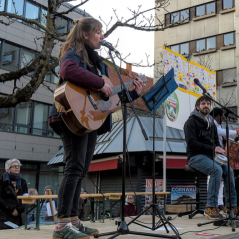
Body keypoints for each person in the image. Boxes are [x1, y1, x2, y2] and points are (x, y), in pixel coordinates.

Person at [49, 17, 143, 239]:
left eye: (102, 32)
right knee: (73, 167)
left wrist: (133, 93)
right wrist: (100, 83)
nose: (102, 36)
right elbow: (68, 71)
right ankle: (62, 226)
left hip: (89, 119)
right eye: (98, 32)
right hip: (70, 114)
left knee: (81, 170)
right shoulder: (74, 51)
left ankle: (73, 220)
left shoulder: (100, 63)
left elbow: (107, 102)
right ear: (85, 34)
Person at [184, 96, 239, 220]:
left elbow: (216, 142)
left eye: (208, 104)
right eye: (203, 103)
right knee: (217, 170)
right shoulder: (190, 122)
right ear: (197, 107)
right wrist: (214, 149)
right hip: (195, 156)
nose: (206, 106)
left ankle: (231, 207)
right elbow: (192, 143)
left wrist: (221, 151)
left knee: (229, 170)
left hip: (211, 157)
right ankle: (211, 207)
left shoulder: (211, 123)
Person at [209, 107, 237, 211]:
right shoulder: (212, 123)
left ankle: (223, 203)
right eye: (222, 117)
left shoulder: (217, 125)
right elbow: (219, 132)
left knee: (223, 178)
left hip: (219, 154)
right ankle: (214, 203)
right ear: (218, 116)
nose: (223, 120)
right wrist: (235, 132)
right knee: (215, 176)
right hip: (213, 154)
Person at [0, 159, 28, 229]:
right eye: (14, 166)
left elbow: (26, 198)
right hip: (5, 217)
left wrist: (19, 210)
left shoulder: (23, 182)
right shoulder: (1, 182)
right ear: (8, 169)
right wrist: (11, 209)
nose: (17, 167)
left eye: (18, 166)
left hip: (19, 217)